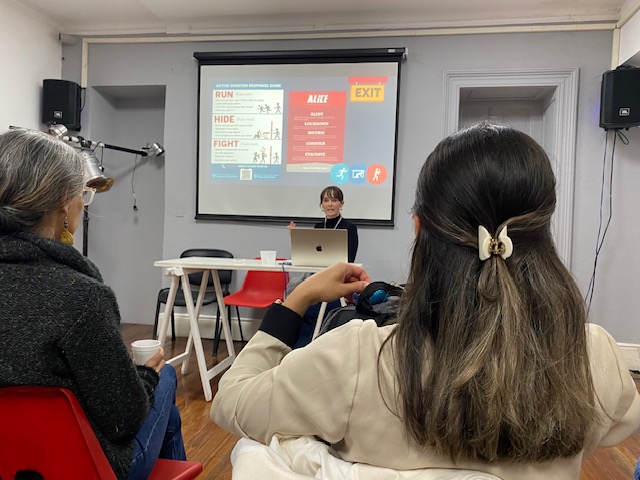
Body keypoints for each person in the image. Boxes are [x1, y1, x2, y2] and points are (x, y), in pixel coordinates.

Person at [212, 122, 640, 479]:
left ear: (418, 228)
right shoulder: (594, 357)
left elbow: (233, 402)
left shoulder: (357, 359)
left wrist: (299, 297)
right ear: (541, 231)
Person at [0, 128, 187, 480]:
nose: (83, 201)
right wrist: (144, 373)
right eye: (82, 193)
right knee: (165, 377)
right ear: (62, 204)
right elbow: (123, 420)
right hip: (76, 467)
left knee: (169, 419)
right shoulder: (80, 297)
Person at [289, 185, 358, 262]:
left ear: (341, 204)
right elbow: (310, 255)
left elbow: (350, 259)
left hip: (340, 272)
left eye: (334, 200)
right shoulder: (318, 227)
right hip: (319, 270)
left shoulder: (350, 228)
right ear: (321, 204)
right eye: (326, 200)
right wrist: (295, 237)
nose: (330, 204)